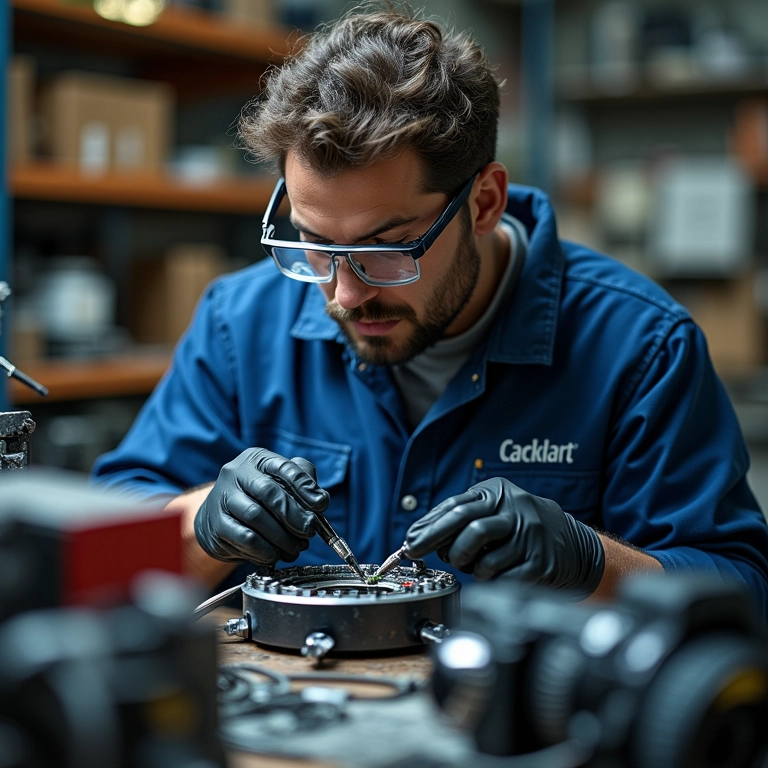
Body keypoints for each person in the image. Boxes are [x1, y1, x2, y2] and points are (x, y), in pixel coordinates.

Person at [92, 4, 768, 615]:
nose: (346, 294)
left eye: (388, 249)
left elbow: (741, 598)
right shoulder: (240, 325)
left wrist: (593, 563)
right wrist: (202, 522)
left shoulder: (640, 346)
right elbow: (97, 555)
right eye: (315, 243)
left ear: (485, 202)